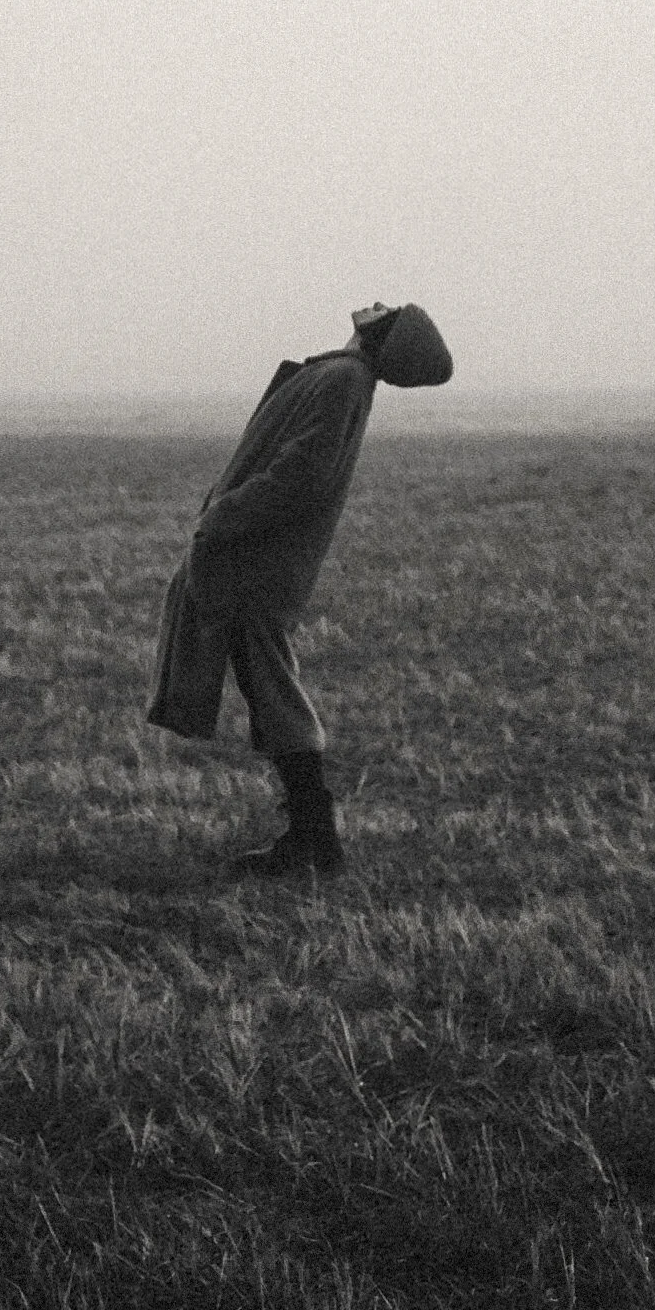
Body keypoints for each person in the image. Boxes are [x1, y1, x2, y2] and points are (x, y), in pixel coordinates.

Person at [146, 298, 453, 878]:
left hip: (258, 562)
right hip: (259, 559)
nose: (373, 305)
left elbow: (301, 474)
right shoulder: (343, 377)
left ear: (385, 336)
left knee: (275, 691)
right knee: (270, 688)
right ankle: (311, 837)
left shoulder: (342, 378)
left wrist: (225, 516)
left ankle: (314, 841)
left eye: (388, 312)